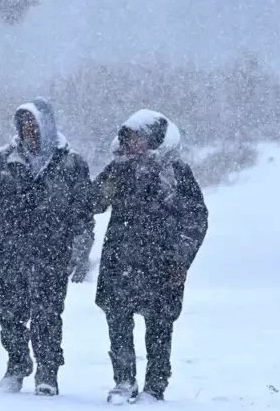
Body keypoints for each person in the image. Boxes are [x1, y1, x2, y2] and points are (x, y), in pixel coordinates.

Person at [0, 97, 94, 396]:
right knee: (9, 310)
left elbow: (83, 212)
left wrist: (81, 249)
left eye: (34, 125)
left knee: (47, 312)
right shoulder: (4, 159)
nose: (29, 131)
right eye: (23, 126)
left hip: (52, 250)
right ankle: (17, 363)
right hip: (8, 248)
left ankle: (47, 372)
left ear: (47, 125)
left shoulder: (71, 163)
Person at [92, 109, 208, 404]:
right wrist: (97, 191)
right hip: (121, 259)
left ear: (155, 138)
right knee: (117, 320)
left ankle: (155, 388)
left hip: (162, 263)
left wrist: (181, 259)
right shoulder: (118, 169)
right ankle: (124, 381)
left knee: (159, 326)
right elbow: (93, 203)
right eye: (130, 137)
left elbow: (196, 219)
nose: (135, 143)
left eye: (140, 137)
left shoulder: (176, 173)